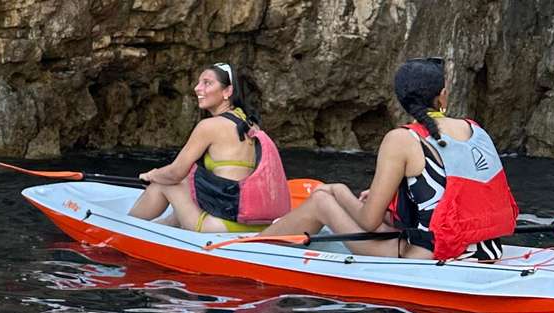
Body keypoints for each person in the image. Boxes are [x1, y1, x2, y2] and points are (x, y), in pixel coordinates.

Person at [261, 57, 517, 260]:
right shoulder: (475, 129)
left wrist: (339, 191)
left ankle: (250, 250)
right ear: (442, 95)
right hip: (488, 249)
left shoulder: (402, 139)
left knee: (321, 200)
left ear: (402, 99)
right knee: (376, 209)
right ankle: (261, 243)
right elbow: (449, 191)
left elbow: (368, 222)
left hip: (432, 254)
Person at [127, 63, 289, 232]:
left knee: (164, 183)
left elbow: (175, 173)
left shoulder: (209, 126)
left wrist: (151, 175)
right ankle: (164, 227)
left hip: (225, 226)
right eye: (199, 83)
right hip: (258, 225)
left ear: (227, 91)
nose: (197, 88)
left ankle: (125, 228)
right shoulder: (250, 124)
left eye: (207, 83)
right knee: (188, 183)